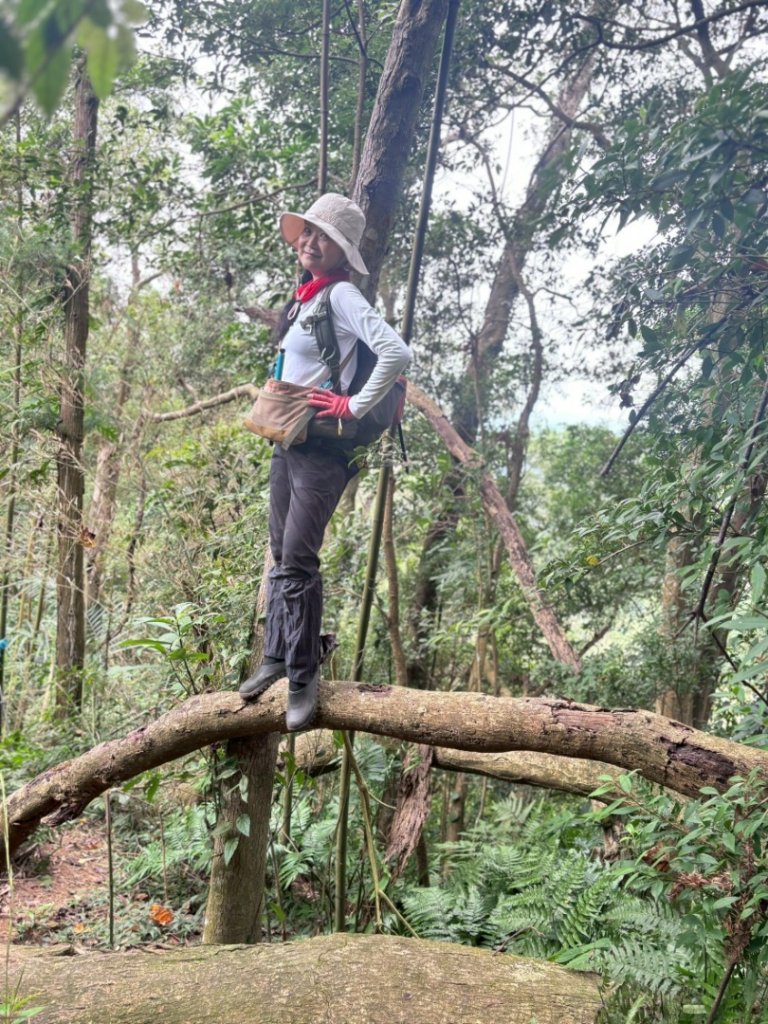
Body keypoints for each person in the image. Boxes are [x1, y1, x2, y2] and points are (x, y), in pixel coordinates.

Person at [239, 193, 411, 731]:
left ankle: (303, 676)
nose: (310, 243)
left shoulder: (340, 297)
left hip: (325, 447)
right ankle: (275, 654)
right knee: (278, 550)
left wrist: (354, 403)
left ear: (342, 250)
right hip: (289, 439)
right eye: (306, 234)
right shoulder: (302, 299)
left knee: (297, 556)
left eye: (324, 237)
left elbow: (397, 352)